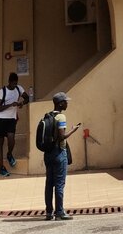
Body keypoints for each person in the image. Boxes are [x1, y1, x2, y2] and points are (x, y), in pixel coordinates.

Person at [44, 91, 81, 220]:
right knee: (59, 183)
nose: (67, 103)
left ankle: (49, 212)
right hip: (59, 153)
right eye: (65, 101)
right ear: (60, 104)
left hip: (48, 154)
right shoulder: (61, 117)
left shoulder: (48, 116)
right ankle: (60, 212)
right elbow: (61, 137)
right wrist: (73, 129)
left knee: (49, 183)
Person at [0, 72, 29, 176]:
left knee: (11, 139)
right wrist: (10, 105)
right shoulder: (2, 91)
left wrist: (21, 103)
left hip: (11, 119)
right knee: (0, 143)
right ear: (9, 82)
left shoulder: (19, 89)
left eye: (16, 83)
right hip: (0, 119)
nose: (14, 86)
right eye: (13, 84)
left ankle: (9, 154)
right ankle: (1, 167)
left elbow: (27, 98)